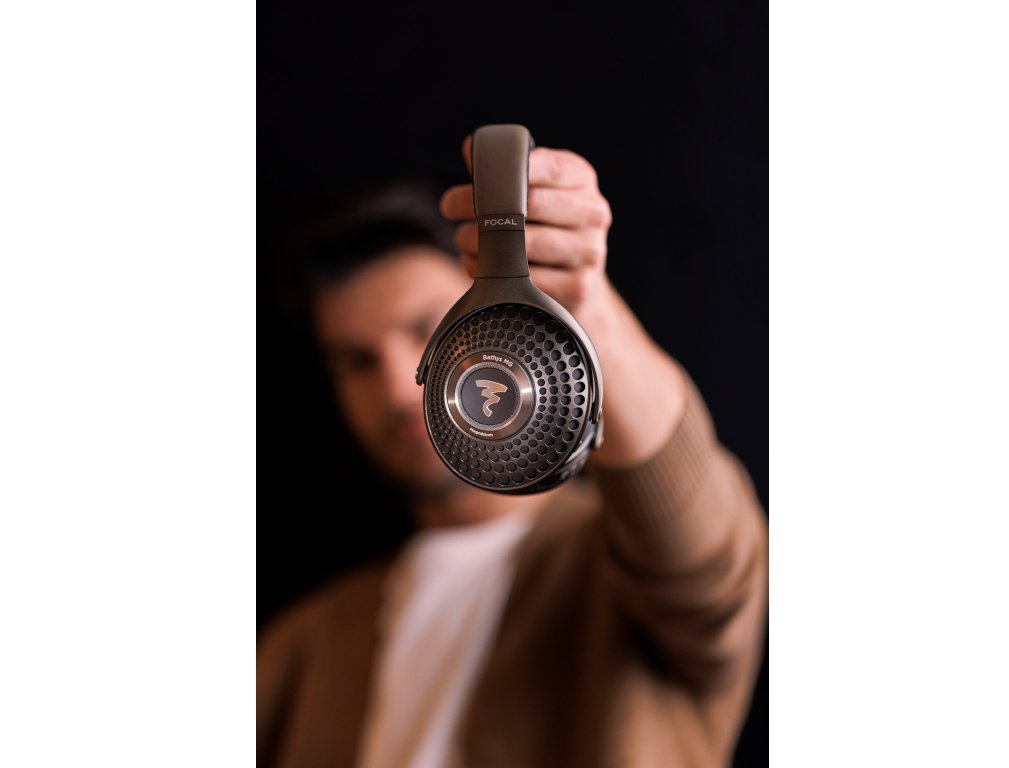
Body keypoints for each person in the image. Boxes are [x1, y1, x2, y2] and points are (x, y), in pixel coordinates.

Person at [258, 136, 767, 767]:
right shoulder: (303, 646)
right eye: (357, 361)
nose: (395, 388)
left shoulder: (625, 574)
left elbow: (711, 570)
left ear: (494, 317)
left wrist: (583, 309)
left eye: (425, 329)